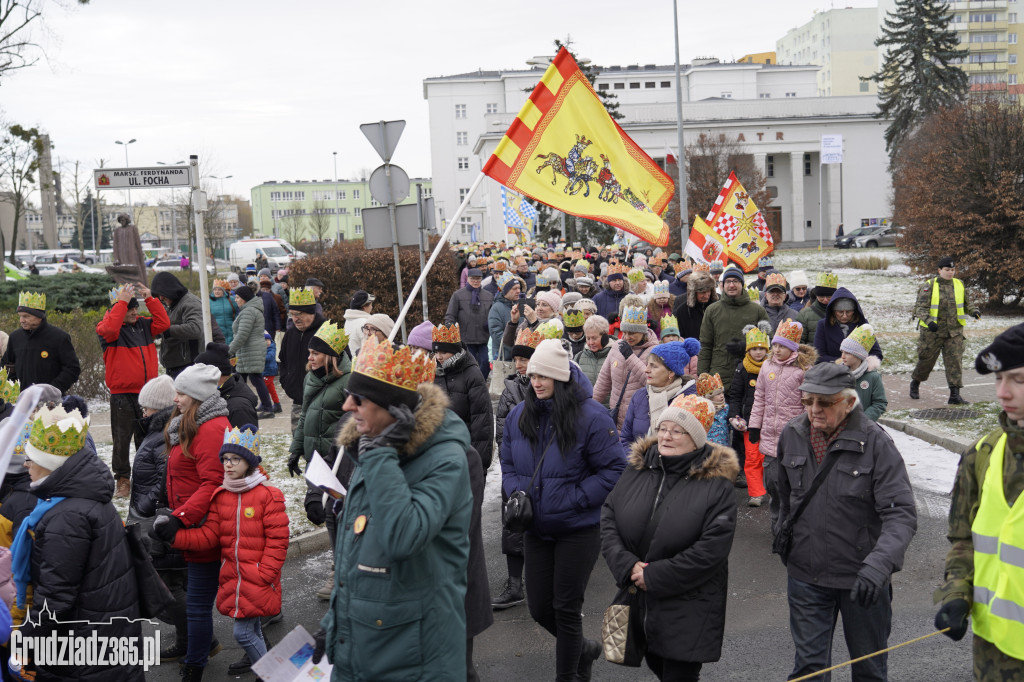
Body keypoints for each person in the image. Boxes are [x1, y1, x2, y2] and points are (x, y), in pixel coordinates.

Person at [314, 336, 473, 680]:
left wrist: (380, 457)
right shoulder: (373, 446)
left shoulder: (444, 459)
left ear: (395, 411)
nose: (347, 406)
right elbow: (355, 556)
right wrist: (333, 625)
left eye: (359, 399)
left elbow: (402, 537)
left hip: (414, 661)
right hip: (364, 649)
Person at [776, 363, 917, 682]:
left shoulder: (876, 442)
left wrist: (879, 565)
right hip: (806, 576)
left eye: (825, 402)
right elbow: (783, 498)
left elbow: (901, 513)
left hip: (863, 579)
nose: (814, 409)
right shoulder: (792, 434)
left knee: (869, 670)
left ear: (850, 402)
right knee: (809, 671)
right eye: (808, 400)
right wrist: (785, 539)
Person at [501, 339, 625, 682]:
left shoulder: (592, 416)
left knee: (566, 608)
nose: (536, 382)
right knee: (540, 608)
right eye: (533, 375)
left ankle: (568, 675)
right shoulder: (518, 415)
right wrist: (516, 492)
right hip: (536, 527)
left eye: (544, 376)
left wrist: (576, 498)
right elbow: (507, 462)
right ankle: (584, 649)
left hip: (578, 528)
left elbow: (615, 470)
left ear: (560, 377)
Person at [601, 394, 738, 681]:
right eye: (663, 428)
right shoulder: (639, 467)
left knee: (678, 673)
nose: (666, 436)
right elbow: (609, 514)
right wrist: (626, 565)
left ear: (696, 440)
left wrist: (654, 575)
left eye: (678, 431)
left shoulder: (717, 485)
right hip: (641, 598)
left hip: (689, 603)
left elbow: (711, 550)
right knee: (657, 664)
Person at [12, 405, 144, 681]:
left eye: (31, 458)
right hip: (107, 633)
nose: (26, 464)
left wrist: (24, 640)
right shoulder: (85, 497)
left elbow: (55, 596)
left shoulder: (66, 516)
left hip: (84, 644)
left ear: (50, 465)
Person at [160, 424, 289, 678]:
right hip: (235, 579)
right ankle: (270, 674)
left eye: (235, 459)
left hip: (259, 578)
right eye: (225, 459)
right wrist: (175, 537)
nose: (228, 464)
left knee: (243, 633)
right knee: (252, 630)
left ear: (250, 462)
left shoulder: (268, 496)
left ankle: (271, 675)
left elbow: (278, 541)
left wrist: (264, 573)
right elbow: (209, 535)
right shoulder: (222, 496)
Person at [934, 323, 1024, 679]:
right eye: (999, 378)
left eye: (1018, 379)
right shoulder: (982, 454)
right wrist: (957, 592)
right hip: (993, 657)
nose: (1002, 392)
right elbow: (964, 539)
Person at [158, 363, 232, 681]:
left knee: (199, 605)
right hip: (195, 521)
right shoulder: (194, 421)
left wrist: (180, 517)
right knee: (201, 603)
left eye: (181, 393)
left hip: (206, 525)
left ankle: (195, 667)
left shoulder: (210, 428)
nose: (175, 398)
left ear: (197, 396)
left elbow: (212, 482)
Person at [491, 325, 557, 610]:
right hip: (519, 469)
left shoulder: (551, 388)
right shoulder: (510, 390)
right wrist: (511, 465)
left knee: (546, 524)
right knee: (513, 523)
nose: (519, 364)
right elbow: (502, 432)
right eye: (516, 358)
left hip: (547, 468)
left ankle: (548, 582)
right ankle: (514, 583)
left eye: (525, 358)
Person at [128, 374, 191, 662]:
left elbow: (166, 480)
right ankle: (193, 638)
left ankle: (196, 638)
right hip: (154, 520)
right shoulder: (157, 432)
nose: (143, 412)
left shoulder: (164, 435)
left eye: (147, 407)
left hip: (158, 522)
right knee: (169, 582)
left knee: (167, 585)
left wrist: (144, 506)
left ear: (161, 406)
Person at [96, 282, 170, 498]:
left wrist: (150, 300)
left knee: (147, 437)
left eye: (136, 308)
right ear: (117, 309)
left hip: (146, 394)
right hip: (122, 395)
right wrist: (122, 303)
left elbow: (164, 323)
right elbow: (110, 328)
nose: (135, 312)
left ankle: (146, 476)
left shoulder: (144, 325)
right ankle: (122, 479)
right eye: (130, 309)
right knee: (121, 440)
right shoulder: (107, 329)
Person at [748, 320, 817, 529]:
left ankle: (793, 526)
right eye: (775, 345)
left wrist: (807, 431)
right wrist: (754, 425)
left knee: (794, 486)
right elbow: (759, 397)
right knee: (773, 484)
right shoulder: (766, 366)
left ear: (793, 348)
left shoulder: (803, 370)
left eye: (782, 346)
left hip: (794, 438)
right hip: (770, 436)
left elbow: (808, 404)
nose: (777, 350)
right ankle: (776, 527)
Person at [910, 256, 980, 405]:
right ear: (939, 270)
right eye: (947, 270)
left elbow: (967, 304)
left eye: (952, 270)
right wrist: (929, 322)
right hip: (932, 333)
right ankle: (915, 383)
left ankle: (954, 395)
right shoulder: (929, 285)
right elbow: (920, 308)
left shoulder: (959, 284)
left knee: (955, 362)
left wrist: (974, 311)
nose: (950, 272)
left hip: (954, 332)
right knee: (926, 361)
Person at [432, 323, 494, 473]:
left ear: (455, 351)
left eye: (444, 352)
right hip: (438, 458)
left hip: (466, 457)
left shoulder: (472, 375)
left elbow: (481, 422)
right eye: (436, 352)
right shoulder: (432, 373)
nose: (439, 357)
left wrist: (479, 464)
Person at [619, 339, 701, 451]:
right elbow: (626, 439)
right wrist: (636, 460)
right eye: (648, 364)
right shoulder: (639, 396)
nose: (646, 370)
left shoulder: (689, 401)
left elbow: (692, 445)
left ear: (671, 372)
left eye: (654, 366)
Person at [594, 305, 660, 431]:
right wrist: (591, 405)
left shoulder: (655, 351)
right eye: (624, 332)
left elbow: (652, 383)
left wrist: (630, 357)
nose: (627, 337)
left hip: (640, 419)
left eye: (632, 333)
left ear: (642, 332)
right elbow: (603, 381)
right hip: (616, 416)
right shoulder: (617, 346)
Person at [697, 265, 769, 380]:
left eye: (735, 281)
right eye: (728, 281)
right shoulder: (712, 310)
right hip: (720, 373)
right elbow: (706, 345)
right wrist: (702, 373)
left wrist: (747, 346)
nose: (731, 285)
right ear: (723, 284)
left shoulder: (757, 310)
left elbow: (768, 342)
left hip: (750, 373)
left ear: (742, 284)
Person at [728, 322, 772, 507]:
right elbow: (735, 396)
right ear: (748, 350)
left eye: (762, 349)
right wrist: (734, 415)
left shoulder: (773, 367)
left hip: (770, 422)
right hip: (749, 422)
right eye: (754, 349)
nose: (758, 352)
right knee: (752, 457)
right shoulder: (742, 369)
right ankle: (756, 493)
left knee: (769, 458)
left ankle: (774, 490)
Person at [1, 291, 81, 394]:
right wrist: (14, 387)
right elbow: (6, 365)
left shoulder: (59, 337)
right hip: (21, 399)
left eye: (26, 316)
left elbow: (72, 369)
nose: (21, 320)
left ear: (39, 316)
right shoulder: (15, 337)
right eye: (20, 316)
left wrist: (51, 390)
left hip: (51, 401)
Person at [279, 289, 326, 429]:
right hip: (298, 402)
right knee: (298, 439)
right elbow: (283, 361)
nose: (295, 319)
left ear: (311, 313)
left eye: (299, 314)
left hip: (323, 403)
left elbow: (341, 365)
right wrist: (287, 382)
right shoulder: (290, 334)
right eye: (292, 314)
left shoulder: (326, 332)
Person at [229, 285, 275, 419]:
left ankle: (267, 408)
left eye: (238, 297)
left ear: (244, 298)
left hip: (251, 350)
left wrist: (229, 350)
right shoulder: (250, 310)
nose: (235, 300)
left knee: (255, 379)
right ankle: (247, 405)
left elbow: (242, 335)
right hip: (248, 350)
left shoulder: (248, 312)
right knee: (242, 380)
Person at [192, 342, 260, 429]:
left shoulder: (239, 407)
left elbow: (244, 437)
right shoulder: (218, 394)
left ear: (214, 374)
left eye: (199, 373)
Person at [150, 271, 205, 378]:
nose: (161, 298)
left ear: (170, 290)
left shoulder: (190, 302)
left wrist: (166, 331)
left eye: (162, 294)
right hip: (175, 365)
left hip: (188, 366)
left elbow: (196, 329)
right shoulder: (171, 304)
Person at [445, 267, 495, 381]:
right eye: (473, 279)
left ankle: (480, 382)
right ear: (467, 279)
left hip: (484, 337)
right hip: (465, 338)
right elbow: (450, 315)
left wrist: (490, 323)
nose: (475, 281)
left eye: (478, 279)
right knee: (467, 364)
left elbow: (493, 315)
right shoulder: (458, 295)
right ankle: (470, 383)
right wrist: (450, 330)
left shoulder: (488, 296)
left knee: (485, 362)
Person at [813, 287, 883, 366]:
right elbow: (819, 355)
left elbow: (876, 353)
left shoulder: (862, 325)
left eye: (848, 312)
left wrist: (860, 364)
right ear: (833, 311)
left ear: (854, 311)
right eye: (840, 312)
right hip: (832, 370)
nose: (844, 316)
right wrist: (841, 362)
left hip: (859, 369)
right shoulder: (823, 325)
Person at [839, 324, 887, 422]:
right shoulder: (838, 374)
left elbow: (879, 403)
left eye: (847, 353)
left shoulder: (873, 377)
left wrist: (863, 419)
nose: (842, 356)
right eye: (842, 352)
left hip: (863, 425)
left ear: (858, 355)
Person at [574, 315, 613, 409]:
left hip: (610, 411)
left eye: (594, 338)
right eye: (588, 338)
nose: (591, 342)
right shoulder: (579, 357)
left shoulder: (616, 355)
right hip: (586, 410)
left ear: (605, 336)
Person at [489, 274, 519, 391]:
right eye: (514, 289)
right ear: (506, 291)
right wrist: (513, 346)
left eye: (519, 288)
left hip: (520, 356)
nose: (518, 291)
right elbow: (496, 334)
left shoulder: (519, 306)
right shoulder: (496, 308)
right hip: (504, 356)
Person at [673, 268, 719, 341]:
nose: (706, 295)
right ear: (693, 293)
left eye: (708, 291)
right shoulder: (682, 311)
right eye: (702, 292)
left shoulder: (719, 305)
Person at [796, 272, 837, 345]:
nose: (825, 300)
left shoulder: (842, 312)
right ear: (816, 296)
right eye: (821, 296)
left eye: (829, 296)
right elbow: (799, 341)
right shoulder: (804, 315)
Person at [695, 373, 731, 447]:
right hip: (707, 446)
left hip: (723, 445)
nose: (722, 396)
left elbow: (730, 425)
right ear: (709, 397)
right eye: (718, 394)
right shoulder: (702, 411)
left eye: (722, 393)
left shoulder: (726, 408)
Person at [342, 290, 374, 356]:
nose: (372, 307)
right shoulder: (364, 323)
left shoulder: (348, 321)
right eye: (371, 305)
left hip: (351, 360)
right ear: (364, 307)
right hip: (361, 360)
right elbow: (370, 348)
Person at [209, 280, 238, 345]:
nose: (217, 291)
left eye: (219, 289)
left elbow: (237, 312)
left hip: (231, 331)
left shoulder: (231, 299)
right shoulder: (209, 302)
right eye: (215, 289)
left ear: (223, 290)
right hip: (217, 332)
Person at [262, 330, 282, 413]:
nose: (267, 342)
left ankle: (265, 404)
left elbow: (269, 357)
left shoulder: (271, 348)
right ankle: (277, 404)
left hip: (270, 371)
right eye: (265, 340)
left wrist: (259, 357)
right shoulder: (262, 348)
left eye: (268, 340)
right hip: (265, 371)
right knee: (271, 389)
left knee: (263, 389)